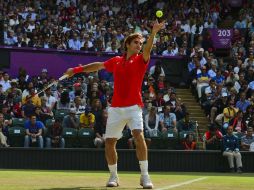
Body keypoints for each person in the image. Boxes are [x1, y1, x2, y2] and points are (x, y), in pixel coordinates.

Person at [64, 20, 165, 189]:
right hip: (116, 108)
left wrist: (153, 33)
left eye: (140, 43)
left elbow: (148, 49)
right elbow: (98, 65)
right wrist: (76, 70)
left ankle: (145, 177)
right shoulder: (116, 60)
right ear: (127, 44)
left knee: (139, 136)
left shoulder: (142, 60)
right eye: (136, 43)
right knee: (110, 142)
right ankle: (113, 176)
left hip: (134, 107)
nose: (139, 46)